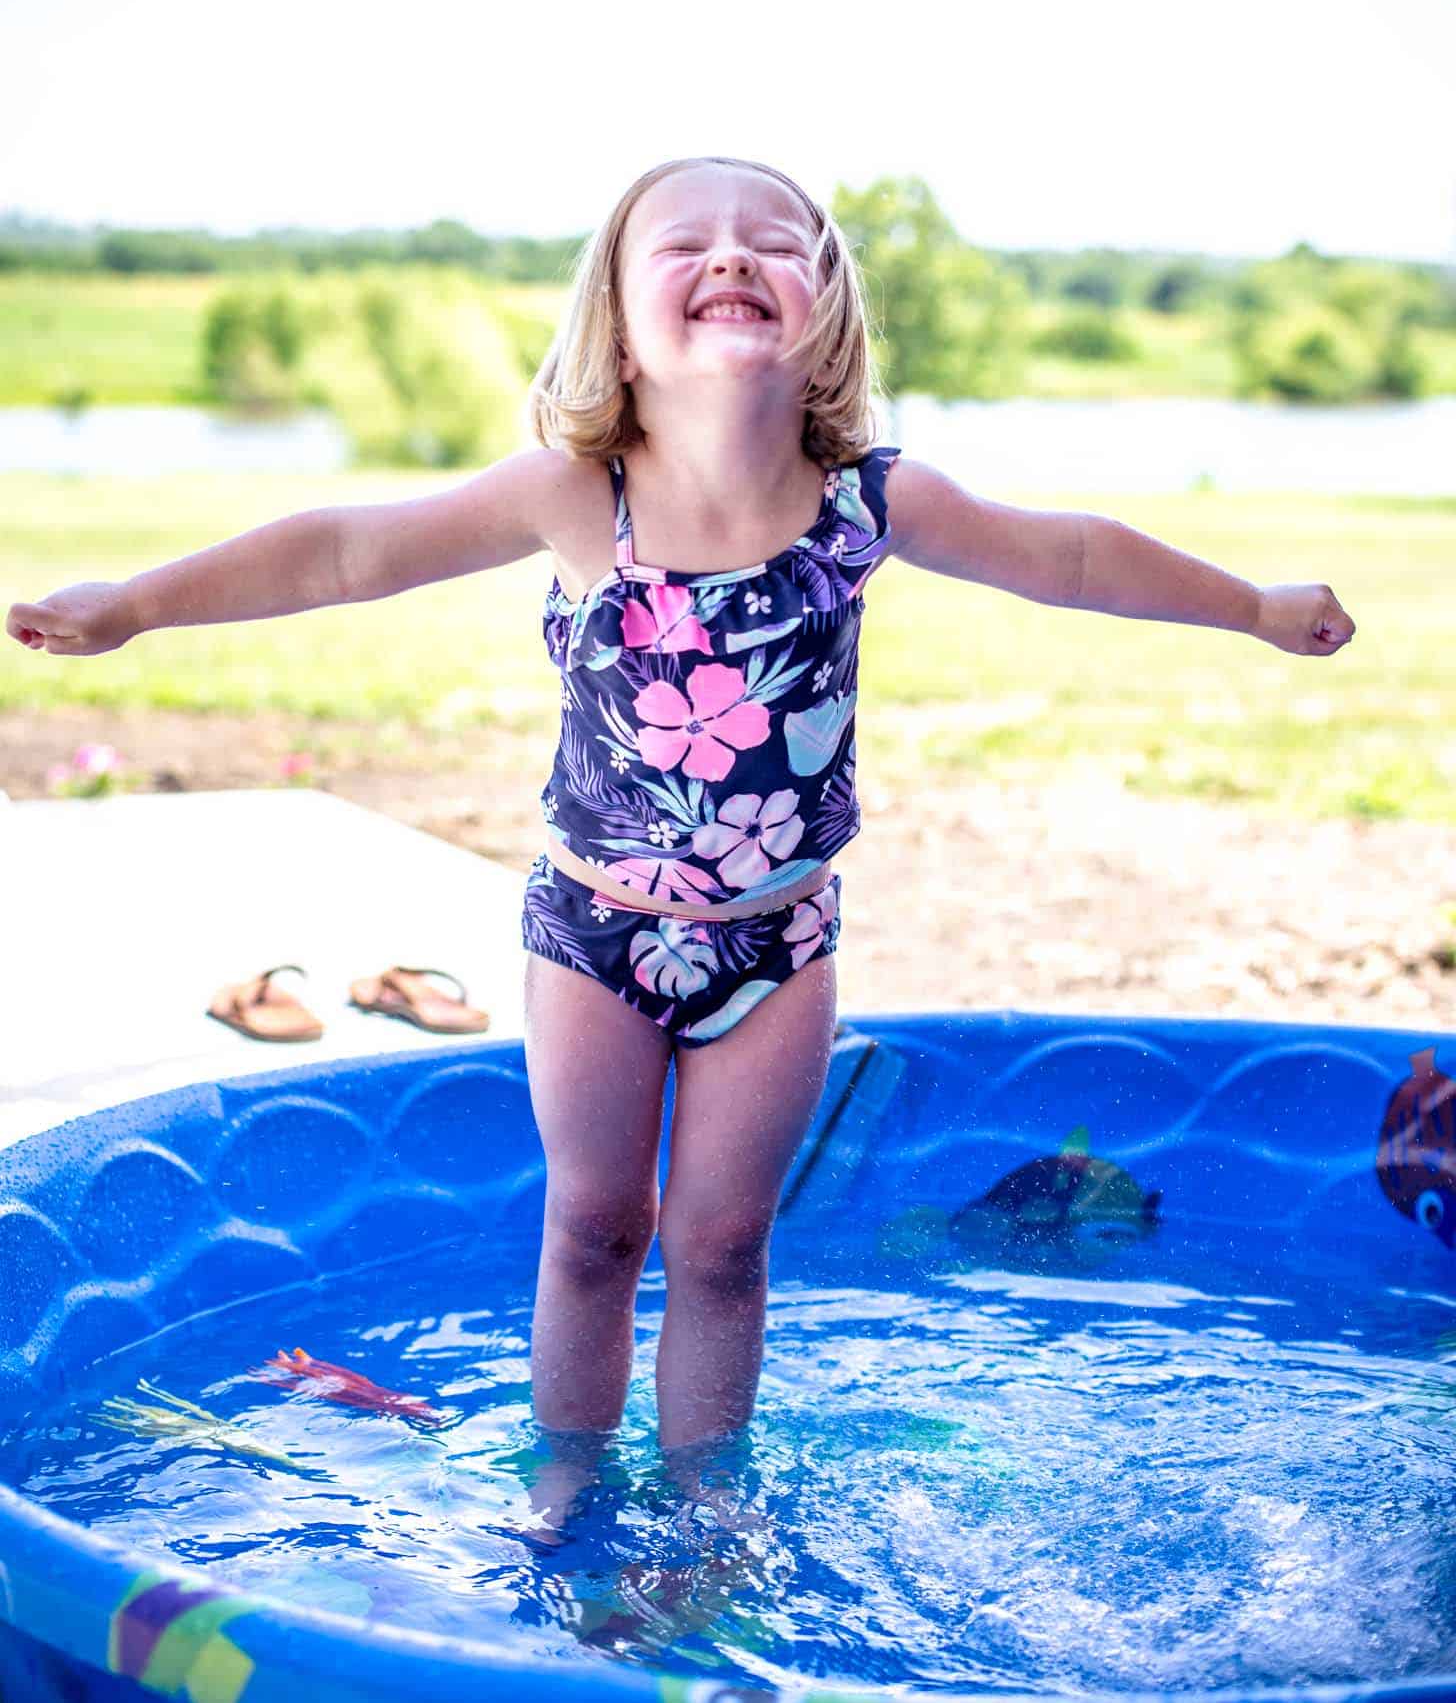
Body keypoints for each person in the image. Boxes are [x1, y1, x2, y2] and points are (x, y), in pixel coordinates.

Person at [6, 155, 1356, 1547]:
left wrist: (1252, 604)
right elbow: (346, 551)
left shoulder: (868, 504)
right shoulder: (581, 496)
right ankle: (567, 1481)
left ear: (825, 312)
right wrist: (139, 608)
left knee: (723, 1248)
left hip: (779, 945)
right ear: (619, 322)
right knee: (596, 1229)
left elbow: (1067, 557)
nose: (732, 256)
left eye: (776, 240)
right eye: (686, 243)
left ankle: (711, 1505)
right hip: (594, 939)